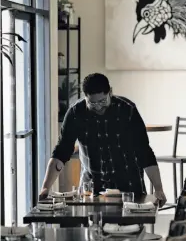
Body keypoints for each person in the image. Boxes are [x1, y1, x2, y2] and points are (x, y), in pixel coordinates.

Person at [38, 73, 167, 207]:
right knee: (92, 227)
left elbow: (144, 152)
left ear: (110, 92)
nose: (98, 107)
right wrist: (45, 187)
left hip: (130, 188)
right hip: (92, 190)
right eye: (92, 103)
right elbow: (61, 152)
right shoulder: (76, 114)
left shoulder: (127, 110)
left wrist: (158, 189)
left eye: (102, 101)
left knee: (132, 227)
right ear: (85, 97)